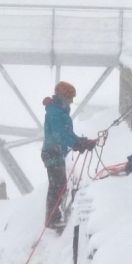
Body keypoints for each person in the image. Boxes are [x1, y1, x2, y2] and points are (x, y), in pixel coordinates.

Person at [41, 81, 97, 229]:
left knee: (58, 186)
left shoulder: (59, 112)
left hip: (55, 153)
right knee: (58, 187)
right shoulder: (55, 113)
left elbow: (68, 134)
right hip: (52, 154)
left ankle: (52, 218)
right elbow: (62, 136)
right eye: (70, 97)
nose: (72, 101)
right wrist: (79, 144)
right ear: (63, 97)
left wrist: (81, 141)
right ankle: (52, 220)